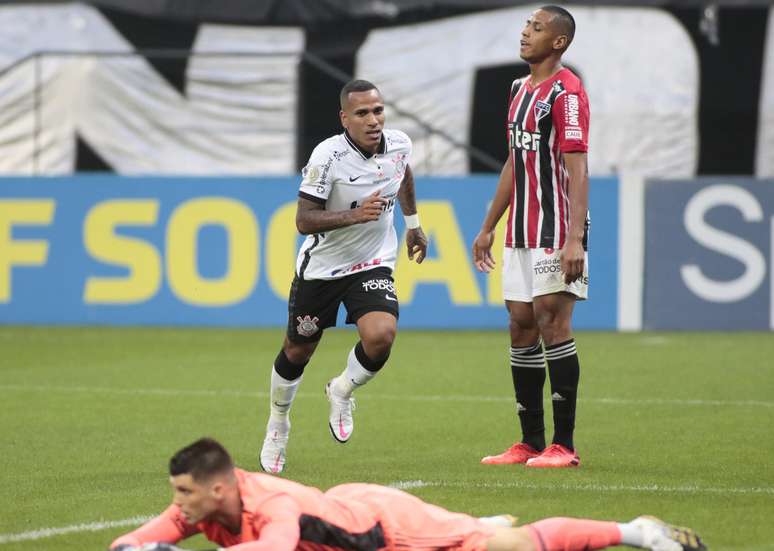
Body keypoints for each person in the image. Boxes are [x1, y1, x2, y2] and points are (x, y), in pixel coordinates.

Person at [109, 438, 706, 551]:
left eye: (184, 493)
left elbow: (280, 543)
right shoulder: (202, 501)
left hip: (387, 529)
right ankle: (470, 521)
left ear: (217, 487)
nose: (177, 504)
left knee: (511, 548)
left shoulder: (271, 507)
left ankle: (637, 531)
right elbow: (135, 539)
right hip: (348, 508)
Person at [259, 79, 428, 474]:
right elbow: (303, 220)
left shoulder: (399, 143)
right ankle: (278, 422)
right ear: (345, 118)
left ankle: (342, 389)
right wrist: (355, 214)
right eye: (363, 113)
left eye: (379, 111)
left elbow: (402, 173)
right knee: (298, 350)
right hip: (322, 269)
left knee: (381, 336)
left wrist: (413, 224)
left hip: (372, 261)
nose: (374, 120)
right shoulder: (327, 157)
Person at [472, 5, 591, 468]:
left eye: (537, 29)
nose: (525, 34)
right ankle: (530, 442)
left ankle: (564, 444)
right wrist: (488, 226)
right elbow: (513, 162)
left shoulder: (567, 92)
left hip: (556, 227)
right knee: (520, 324)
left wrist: (575, 237)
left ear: (558, 42)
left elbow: (578, 169)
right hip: (520, 229)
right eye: (526, 26)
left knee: (551, 321)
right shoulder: (518, 89)